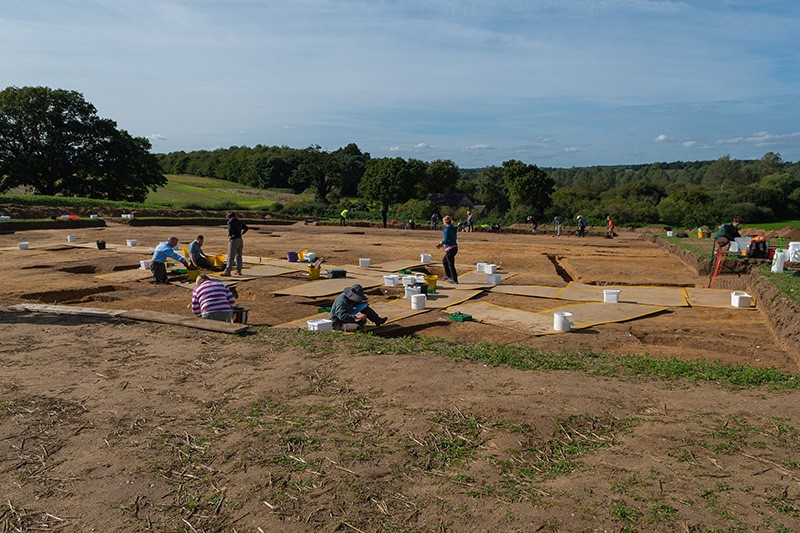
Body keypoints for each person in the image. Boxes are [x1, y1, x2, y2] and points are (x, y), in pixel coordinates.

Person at [437, 215, 459, 283]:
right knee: (444, 261)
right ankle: (448, 276)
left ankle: (454, 279)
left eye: (443, 221)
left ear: (445, 222)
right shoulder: (453, 228)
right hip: (454, 247)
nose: (442, 222)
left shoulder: (446, 229)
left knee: (450, 264)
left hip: (450, 248)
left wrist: (441, 242)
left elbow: (446, 239)